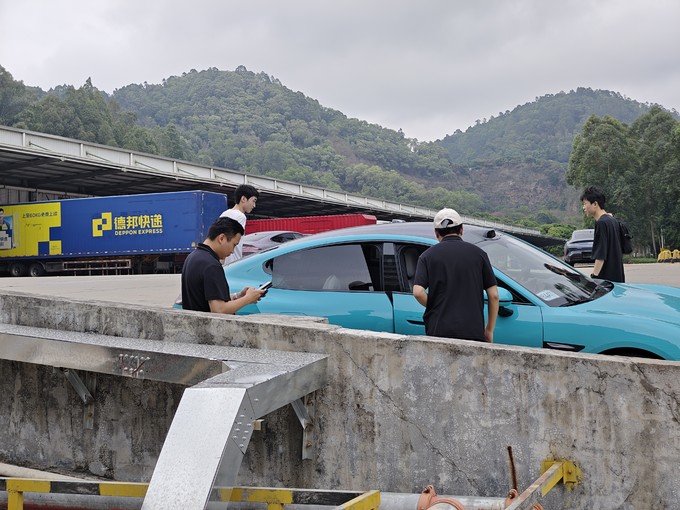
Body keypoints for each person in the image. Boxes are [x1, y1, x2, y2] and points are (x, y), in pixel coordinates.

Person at [412, 208, 499, 342]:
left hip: (438, 330)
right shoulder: (479, 254)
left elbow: (418, 292)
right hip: (472, 331)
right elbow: (494, 295)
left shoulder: (427, 256)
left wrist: (436, 306)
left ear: (436, 233)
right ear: (461, 229)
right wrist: (489, 330)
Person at [181, 216, 265, 313]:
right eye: (234, 245)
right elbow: (219, 310)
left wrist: (239, 296)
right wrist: (248, 299)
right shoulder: (212, 265)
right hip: (208, 327)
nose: (233, 251)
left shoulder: (193, 257)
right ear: (221, 238)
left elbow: (208, 298)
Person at [580, 186, 625, 283]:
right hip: (618, 277)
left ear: (595, 204)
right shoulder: (612, 220)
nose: (584, 208)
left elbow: (600, 256)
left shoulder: (601, 223)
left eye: (585, 204)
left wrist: (594, 277)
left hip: (606, 281)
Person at [220, 184, 260, 265]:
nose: (254, 205)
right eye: (253, 201)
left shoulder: (225, 213)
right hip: (232, 263)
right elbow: (231, 241)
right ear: (243, 199)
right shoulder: (240, 216)